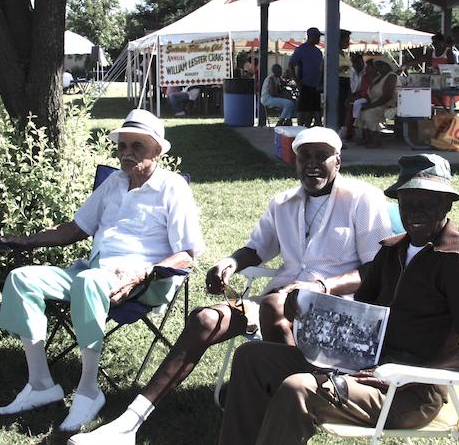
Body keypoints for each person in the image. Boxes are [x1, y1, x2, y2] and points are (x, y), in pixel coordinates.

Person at [72, 127, 394, 445]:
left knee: (273, 306)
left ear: (337, 161)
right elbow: (258, 248)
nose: (312, 163)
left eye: (321, 156)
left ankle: (283, 411)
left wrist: (322, 286)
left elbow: (377, 270)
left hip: (337, 309)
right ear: (294, 162)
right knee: (204, 320)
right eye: (304, 156)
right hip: (280, 300)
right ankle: (129, 424)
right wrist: (231, 262)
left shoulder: (362, 199)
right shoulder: (283, 203)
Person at [218, 153, 459, 445]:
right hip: (360, 366)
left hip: (409, 391)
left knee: (298, 389)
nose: (415, 212)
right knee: (252, 357)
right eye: (407, 203)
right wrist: (309, 308)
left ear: (446, 204)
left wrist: (408, 376)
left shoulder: (457, 261)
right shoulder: (392, 250)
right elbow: (358, 312)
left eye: (425, 202)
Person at [0, 109, 205, 432]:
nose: (127, 153)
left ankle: (89, 391)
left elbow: (187, 255)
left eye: (137, 147)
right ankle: (40, 384)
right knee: (22, 279)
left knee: (89, 282)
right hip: (95, 272)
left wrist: (143, 273)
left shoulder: (172, 189)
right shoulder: (114, 184)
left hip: (144, 280)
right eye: (123, 146)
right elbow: (74, 229)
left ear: (157, 151)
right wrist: (20, 241)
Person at [355, 56, 398, 149]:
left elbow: (387, 96)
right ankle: (368, 138)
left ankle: (377, 140)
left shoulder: (391, 76)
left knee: (369, 112)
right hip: (377, 103)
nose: (379, 68)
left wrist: (370, 106)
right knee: (361, 110)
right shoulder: (378, 78)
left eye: (381, 65)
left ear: (387, 66)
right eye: (377, 66)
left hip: (388, 104)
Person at [290, 27, 325, 127]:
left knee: (316, 110)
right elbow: (291, 65)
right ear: (310, 36)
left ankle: (312, 129)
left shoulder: (318, 52)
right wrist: (297, 82)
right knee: (303, 111)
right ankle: (300, 130)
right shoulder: (301, 50)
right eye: (317, 36)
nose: (319, 39)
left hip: (317, 86)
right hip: (305, 84)